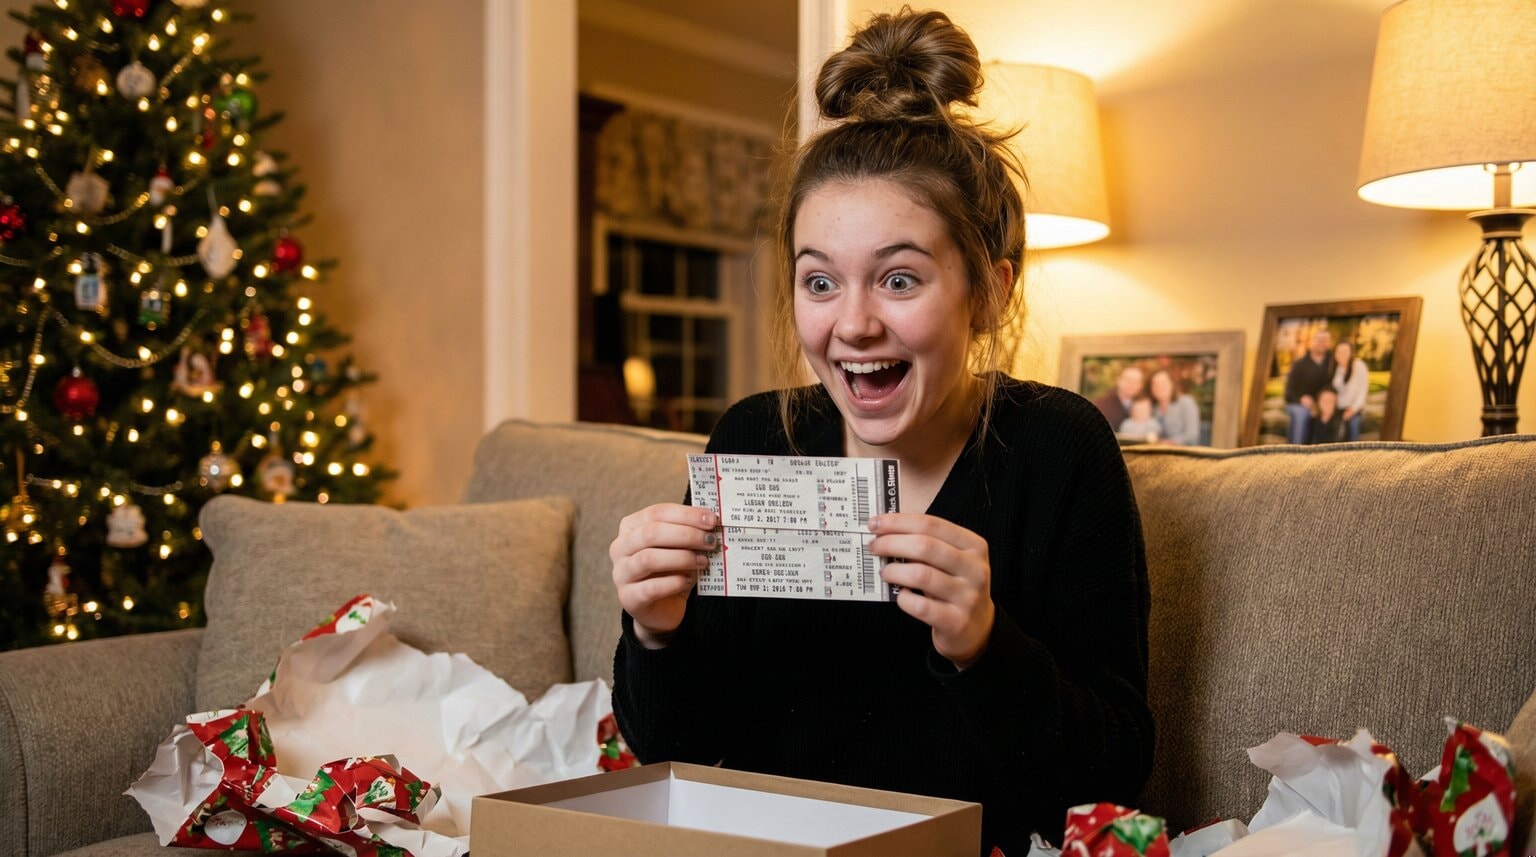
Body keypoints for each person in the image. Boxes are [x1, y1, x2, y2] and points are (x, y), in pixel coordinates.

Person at [608, 11, 1153, 855]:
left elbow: (1116, 775)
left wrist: (983, 645)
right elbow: (672, 750)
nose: (853, 323)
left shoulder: (1058, 448)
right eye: (819, 281)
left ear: (991, 292)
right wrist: (656, 628)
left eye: (898, 278)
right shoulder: (755, 437)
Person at [1283, 329, 1334, 444]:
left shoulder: (1332, 363)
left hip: (1321, 404)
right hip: (1297, 403)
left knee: (1328, 415)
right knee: (1302, 413)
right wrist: (1302, 399)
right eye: (1319, 340)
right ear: (1313, 342)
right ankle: (1296, 453)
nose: (1322, 343)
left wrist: (1318, 405)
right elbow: (1289, 393)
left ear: (1329, 343)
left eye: (1325, 340)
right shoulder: (1299, 364)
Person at [1147, 368, 1200, 446]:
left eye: (1163, 383)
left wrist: (1169, 443)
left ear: (1172, 384)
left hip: (1184, 453)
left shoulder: (1186, 403)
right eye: (1155, 384)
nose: (1159, 387)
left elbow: (1192, 435)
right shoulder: (1153, 408)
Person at [1331, 340, 1368, 441]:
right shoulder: (1334, 369)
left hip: (1354, 408)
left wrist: (1353, 409)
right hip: (1338, 409)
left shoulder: (1359, 366)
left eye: (1345, 351)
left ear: (1351, 353)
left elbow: (1362, 391)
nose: (1341, 354)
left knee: (1352, 424)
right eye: (1338, 351)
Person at [1093, 365, 1144, 429]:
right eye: (1128, 380)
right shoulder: (1101, 405)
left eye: (1136, 381)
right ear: (1118, 380)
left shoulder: (1145, 404)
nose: (1132, 384)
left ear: (1141, 386)